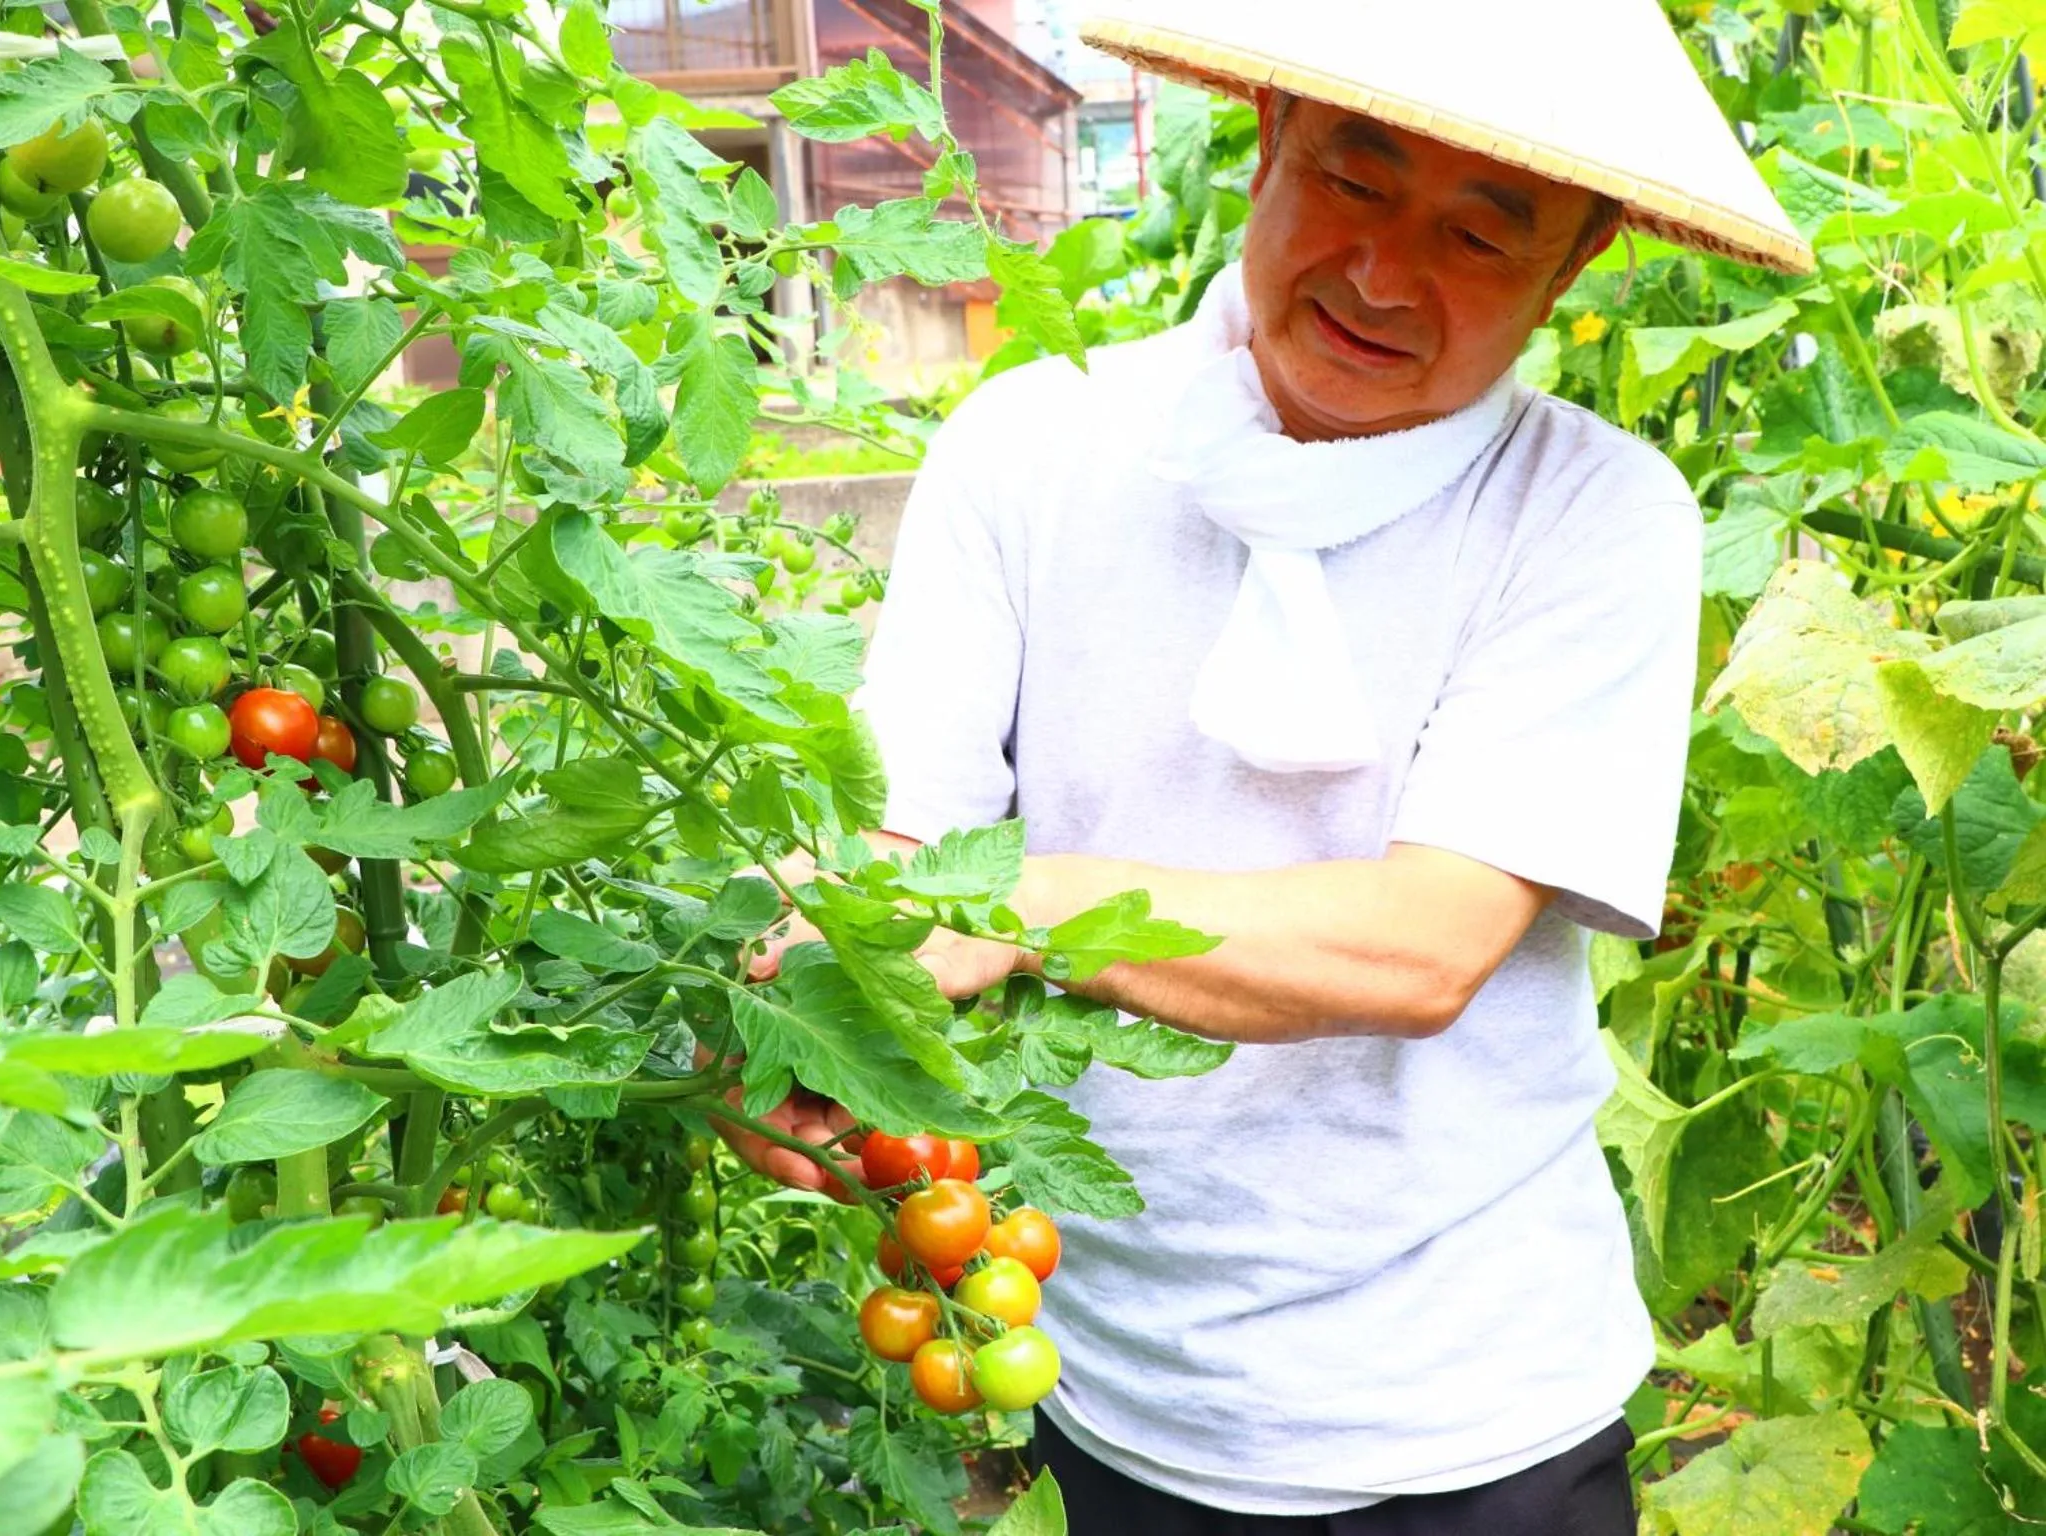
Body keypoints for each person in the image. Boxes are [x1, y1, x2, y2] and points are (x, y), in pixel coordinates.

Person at [723, 2, 1812, 1532]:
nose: (1382, 275)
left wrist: (1027, 909)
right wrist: (808, 1010)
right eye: (1356, 182)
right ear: (1265, 142)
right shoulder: (1033, 449)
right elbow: (908, 846)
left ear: (1574, 265)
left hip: (1471, 1420)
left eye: (1482, 236)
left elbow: (1425, 946)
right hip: (1099, 1388)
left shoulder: (1591, 516)